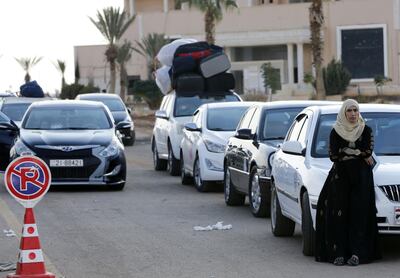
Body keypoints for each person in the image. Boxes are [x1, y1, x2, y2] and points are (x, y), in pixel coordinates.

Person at [315, 99, 380, 266]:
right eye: (349, 111)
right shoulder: (335, 131)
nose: (352, 114)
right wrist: (357, 153)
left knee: (359, 214)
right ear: (344, 113)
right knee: (339, 214)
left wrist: (347, 151)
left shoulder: (366, 130)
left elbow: (368, 151)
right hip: (340, 178)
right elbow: (334, 155)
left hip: (361, 178)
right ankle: (339, 253)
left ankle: (357, 254)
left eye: (355, 110)